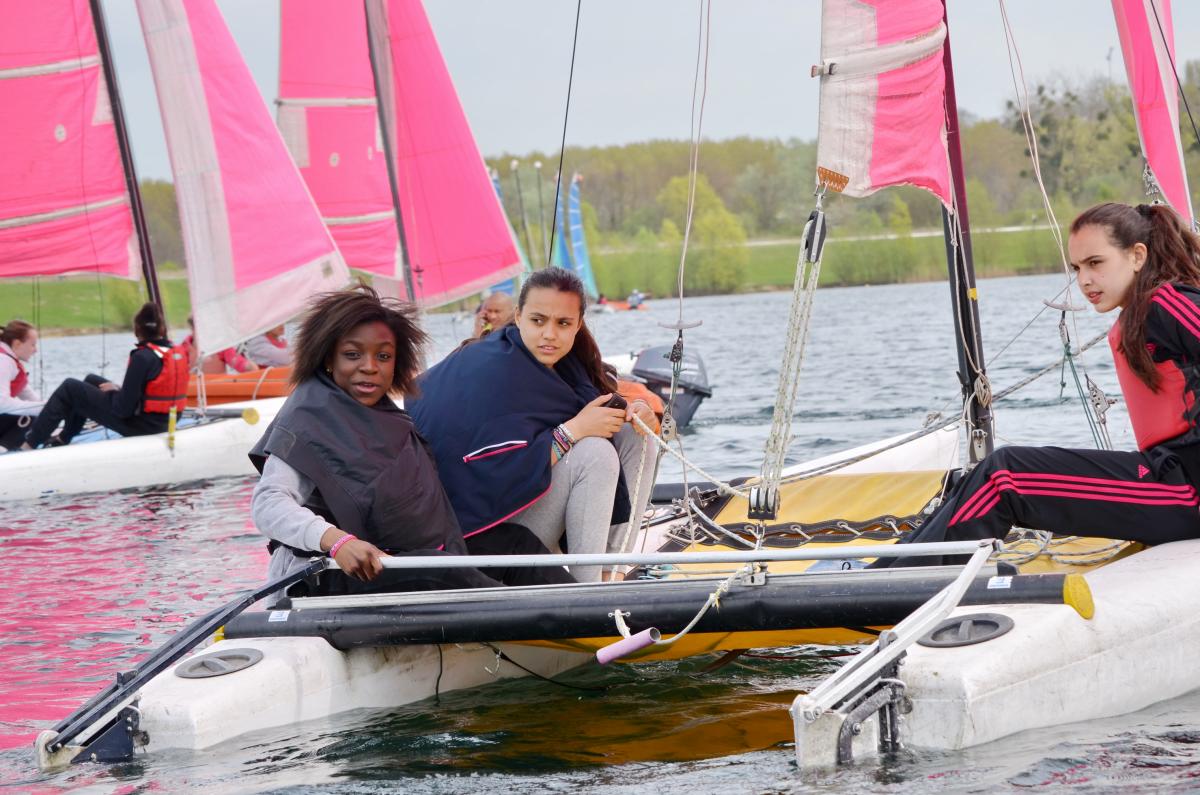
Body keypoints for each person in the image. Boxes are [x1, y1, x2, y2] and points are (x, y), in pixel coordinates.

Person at [877, 202, 1200, 567]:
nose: (1084, 280)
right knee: (980, 476)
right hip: (1169, 477)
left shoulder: (1169, 304)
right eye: (1076, 268)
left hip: (1186, 490)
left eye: (1095, 263)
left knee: (1004, 476)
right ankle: (883, 574)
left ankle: (894, 586)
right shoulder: (1143, 312)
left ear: (1137, 256)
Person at [249, 285, 572, 599]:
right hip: (326, 575)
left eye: (383, 356)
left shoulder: (387, 415)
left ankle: (584, 610)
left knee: (513, 542)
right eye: (352, 354)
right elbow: (268, 503)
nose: (369, 367)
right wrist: (336, 541)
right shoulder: (308, 416)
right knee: (438, 570)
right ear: (328, 358)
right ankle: (533, 616)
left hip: (393, 558)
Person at [409, 268, 659, 582]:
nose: (549, 334)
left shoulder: (568, 368)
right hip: (478, 533)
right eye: (538, 321)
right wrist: (573, 431)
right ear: (518, 316)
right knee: (595, 452)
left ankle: (611, 576)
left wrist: (634, 413)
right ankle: (590, 592)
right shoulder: (490, 368)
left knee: (636, 435)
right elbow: (491, 470)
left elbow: (590, 414)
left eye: (563, 323)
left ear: (578, 324)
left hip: (523, 507)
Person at [21, 303, 187, 449]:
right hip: (164, 422)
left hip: (141, 426)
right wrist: (117, 389)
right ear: (162, 329)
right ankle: (64, 438)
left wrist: (114, 392)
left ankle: (30, 444)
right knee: (91, 380)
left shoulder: (142, 357)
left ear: (137, 329)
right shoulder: (174, 352)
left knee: (70, 387)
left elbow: (123, 409)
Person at [0, 320, 44, 451]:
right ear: (17, 344)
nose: (35, 350)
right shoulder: (4, 361)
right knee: (28, 416)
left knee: (31, 411)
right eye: (33, 345)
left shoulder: (10, 360)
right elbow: (1, 403)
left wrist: (52, 408)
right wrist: (40, 408)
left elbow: (30, 398)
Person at [180, 315, 259, 375]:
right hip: (194, 389)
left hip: (217, 388)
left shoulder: (220, 347)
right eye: (202, 329)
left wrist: (248, 366)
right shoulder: (183, 349)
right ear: (192, 329)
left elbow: (238, 362)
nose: (206, 333)